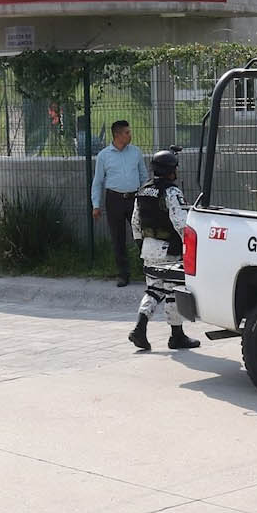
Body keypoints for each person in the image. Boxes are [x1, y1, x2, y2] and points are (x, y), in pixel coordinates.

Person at [127, 149, 199, 352]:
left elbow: (135, 221)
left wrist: (141, 243)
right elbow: (180, 223)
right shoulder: (171, 191)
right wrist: (191, 246)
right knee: (173, 291)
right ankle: (177, 336)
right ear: (170, 171)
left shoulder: (143, 190)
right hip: (169, 249)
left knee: (153, 289)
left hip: (149, 248)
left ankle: (140, 328)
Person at [91, 120, 146, 287]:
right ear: (117, 135)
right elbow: (97, 181)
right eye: (127, 133)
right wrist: (96, 205)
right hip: (114, 199)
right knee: (118, 238)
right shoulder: (104, 156)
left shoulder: (136, 152)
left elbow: (143, 176)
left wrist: (144, 198)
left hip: (134, 199)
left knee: (142, 235)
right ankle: (123, 274)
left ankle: (149, 271)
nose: (130, 135)